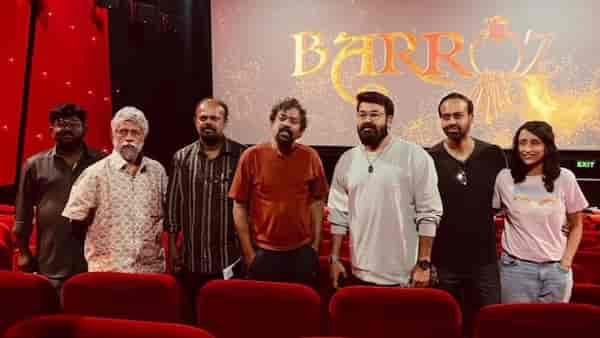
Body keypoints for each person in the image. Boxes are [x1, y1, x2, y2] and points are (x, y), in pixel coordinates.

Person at [328, 91, 443, 287]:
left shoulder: (415, 156)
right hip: (359, 272)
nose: (367, 120)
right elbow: (339, 215)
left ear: (389, 120)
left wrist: (424, 263)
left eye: (374, 114)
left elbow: (429, 213)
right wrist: (335, 259)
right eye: (362, 114)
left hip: (404, 275)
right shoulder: (347, 160)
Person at [229, 97, 328, 288]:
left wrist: (315, 247)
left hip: (301, 253)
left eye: (293, 121)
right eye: (282, 118)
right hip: (263, 253)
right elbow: (239, 205)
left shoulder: (311, 157)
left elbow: (318, 201)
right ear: (272, 122)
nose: (286, 124)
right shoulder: (251, 156)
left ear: (300, 132)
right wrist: (249, 253)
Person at [428, 92, 506, 336]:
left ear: (471, 117)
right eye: (445, 117)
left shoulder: (493, 154)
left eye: (458, 115)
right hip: (443, 262)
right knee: (445, 326)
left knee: (490, 325)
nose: (451, 121)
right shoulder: (429, 158)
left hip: (485, 261)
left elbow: (507, 201)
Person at [62, 106, 168, 273]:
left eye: (135, 133)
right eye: (122, 132)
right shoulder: (94, 174)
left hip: (150, 272)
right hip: (108, 272)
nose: (128, 138)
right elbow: (75, 222)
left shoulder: (157, 171)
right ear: (113, 135)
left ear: (144, 137)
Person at [493, 121, 587, 303]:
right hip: (515, 270)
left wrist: (565, 263)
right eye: (522, 143)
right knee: (515, 328)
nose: (527, 149)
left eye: (535, 143)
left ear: (547, 146)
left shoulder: (565, 178)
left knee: (552, 329)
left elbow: (577, 225)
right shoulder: (504, 178)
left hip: (556, 270)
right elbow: (489, 214)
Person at [14, 104, 103, 291]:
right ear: (51, 130)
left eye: (73, 124)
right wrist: (23, 252)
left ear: (85, 129)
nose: (67, 129)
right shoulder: (34, 165)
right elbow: (23, 213)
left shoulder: (102, 163)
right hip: (51, 259)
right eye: (61, 124)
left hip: (95, 259)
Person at [165, 99, 245, 304]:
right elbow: (173, 207)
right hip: (192, 261)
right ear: (195, 121)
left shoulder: (242, 156)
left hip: (231, 260)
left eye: (214, 118)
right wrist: (173, 248)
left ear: (225, 122)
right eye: (203, 118)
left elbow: (251, 207)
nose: (208, 122)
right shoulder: (181, 158)